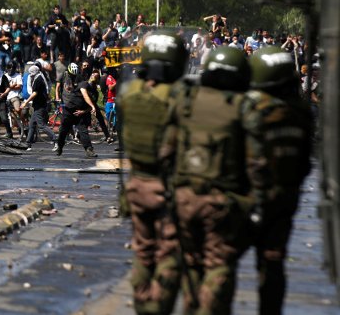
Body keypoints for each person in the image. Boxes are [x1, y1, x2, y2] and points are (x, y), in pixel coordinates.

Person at [159, 47, 258, 314]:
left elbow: (166, 153)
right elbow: (256, 162)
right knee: (219, 266)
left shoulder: (187, 101)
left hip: (184, 199)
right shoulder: (243, 107)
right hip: (221, 202)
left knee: (192, 266)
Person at [119, 33, 188, 315]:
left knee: (144, 253)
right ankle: (156, 308)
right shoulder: (177, 97)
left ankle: (141, 304)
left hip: (136, 185)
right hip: (166, 187)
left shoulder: (130, 94)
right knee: (169, 255)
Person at [246, 46, 313, 315]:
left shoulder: (249, 109)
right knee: (273, 263)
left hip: (246, 199)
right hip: (284, 200)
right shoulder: (302, 113)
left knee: (219, 261)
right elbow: (304, 163)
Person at [54, 63, 98, 157]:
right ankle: (59, 147)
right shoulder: (83, 85)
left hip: (80, 111)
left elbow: (91, 105)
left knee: (83, 130)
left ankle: (89, 149)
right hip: (69, 109)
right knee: (63, 130)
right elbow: (85, 96)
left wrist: (83, 111)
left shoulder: (94, 93)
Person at [22, 65, 55, 148]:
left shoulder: (38, 80)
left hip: (39, 105)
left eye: (31, 74)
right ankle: (28, 142)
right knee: (32, 124)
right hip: (38, 105)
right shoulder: (38, 78)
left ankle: (55, 138)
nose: (30, 76)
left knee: (41, 125)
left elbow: (35, 93)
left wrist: (26, 102)